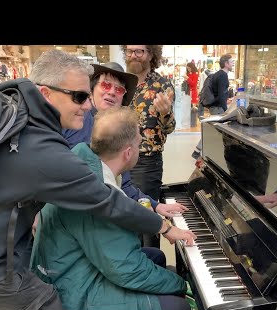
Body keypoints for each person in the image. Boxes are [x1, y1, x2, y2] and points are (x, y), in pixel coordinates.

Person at [0, 49, 191, 310]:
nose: (88, 105)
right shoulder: (39, 146)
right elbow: (103, 198)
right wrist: (163, 227)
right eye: (80, 97)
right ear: (46, 94)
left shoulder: (12, 116)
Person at [31, 107, 194, 310]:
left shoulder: (85, 163)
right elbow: (126, 270)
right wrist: (183, 285)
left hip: (66, 265)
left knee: (156, 256)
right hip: (70, 290)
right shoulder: (95, 194)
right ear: (128, 152)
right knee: (177, 307)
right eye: (138, 144)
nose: (139, 149)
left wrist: (163, 227)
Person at [61, 61, 186, 219]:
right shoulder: (75, 119)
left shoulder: (118, 130)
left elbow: (124, 186)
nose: (112, 92)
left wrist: (156, 205)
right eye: (106, 85)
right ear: (92, 90)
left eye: (119, 89)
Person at [120, 45, 176, 248]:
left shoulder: (162, 85)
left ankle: (153, 263)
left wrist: (165, 113)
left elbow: (169, 128)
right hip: (118, 158)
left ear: (151, 54)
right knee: (123, 215)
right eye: (129, 51)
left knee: (148, 216)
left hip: (146, 162)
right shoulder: (121, 82)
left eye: (139, 51)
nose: (133, 55)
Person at [192, 54, 234, 160]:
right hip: (218, 107)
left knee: (215, 129)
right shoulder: (223, 75)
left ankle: (197, 150)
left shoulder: (218, 74)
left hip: (214, 106)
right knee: (219, 130)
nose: (233, 63)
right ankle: (201, 151)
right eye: (231, 61)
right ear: (226, 63)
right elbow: (220, 95)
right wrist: (226, 111)